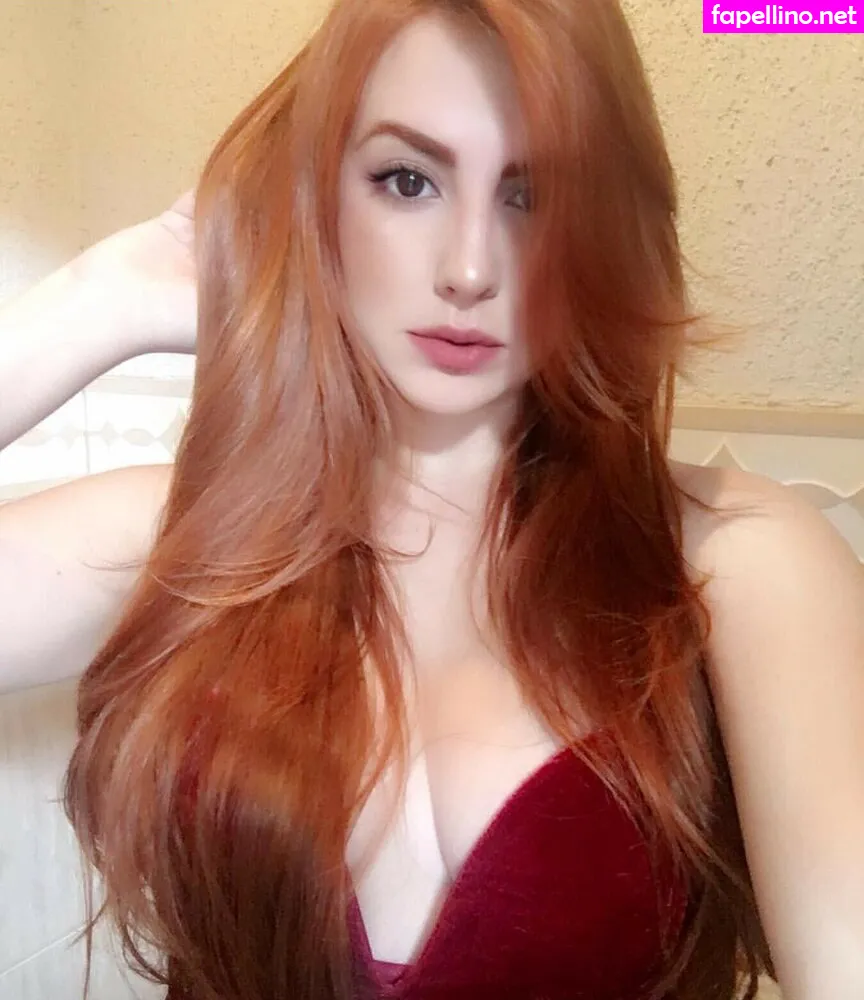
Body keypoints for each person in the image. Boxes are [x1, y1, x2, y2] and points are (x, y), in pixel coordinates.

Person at [1, 0, 862, 998]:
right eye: (407, 180)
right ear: (319, 196)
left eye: (533, 195)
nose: (469, 268)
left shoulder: (738, 559)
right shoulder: (186, 535)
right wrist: (103, 297)